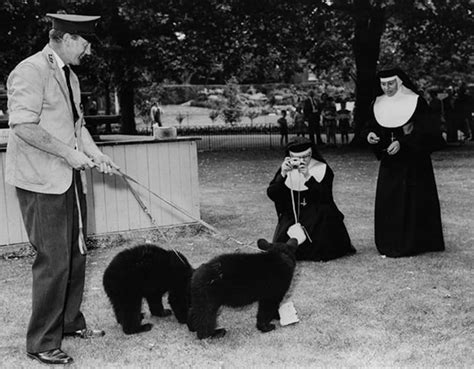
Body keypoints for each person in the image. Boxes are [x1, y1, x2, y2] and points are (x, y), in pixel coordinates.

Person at [5, 13, 119, 365]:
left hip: (67, 180)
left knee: (76, 254)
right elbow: (23, 125)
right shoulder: (30, 70)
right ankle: (41, 341)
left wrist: (96, 154)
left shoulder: (70, 76)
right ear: (67, 39)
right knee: (53, 261)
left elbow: (76, 126)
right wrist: (69, 155)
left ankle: (69, 322)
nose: (88, 51)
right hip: (42, 182)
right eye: (85, 44)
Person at [365, 67, 445, 258]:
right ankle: (390, 240)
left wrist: (403, 142)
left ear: (399, 82)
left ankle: (416, 241)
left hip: (414, 162)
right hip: (390, 161)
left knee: (412, 200)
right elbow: (371, 125)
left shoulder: (416, 102)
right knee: (390, 199)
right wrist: (370, 135)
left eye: (390, 83)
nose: (387, 88)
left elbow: (427, 130)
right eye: (383, 84)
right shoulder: (377, 102)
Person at [267, 137, 356, 261]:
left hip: (317, 213)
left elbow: (325, 197)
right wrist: (282, 174)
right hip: (293, 214)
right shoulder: (285, 168)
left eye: (306, 156)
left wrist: (308, 176)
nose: (302, 160)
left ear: (312, 153)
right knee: (286, 237)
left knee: (317, 240)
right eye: (297, 157)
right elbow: (273, 194)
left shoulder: (323, 168)